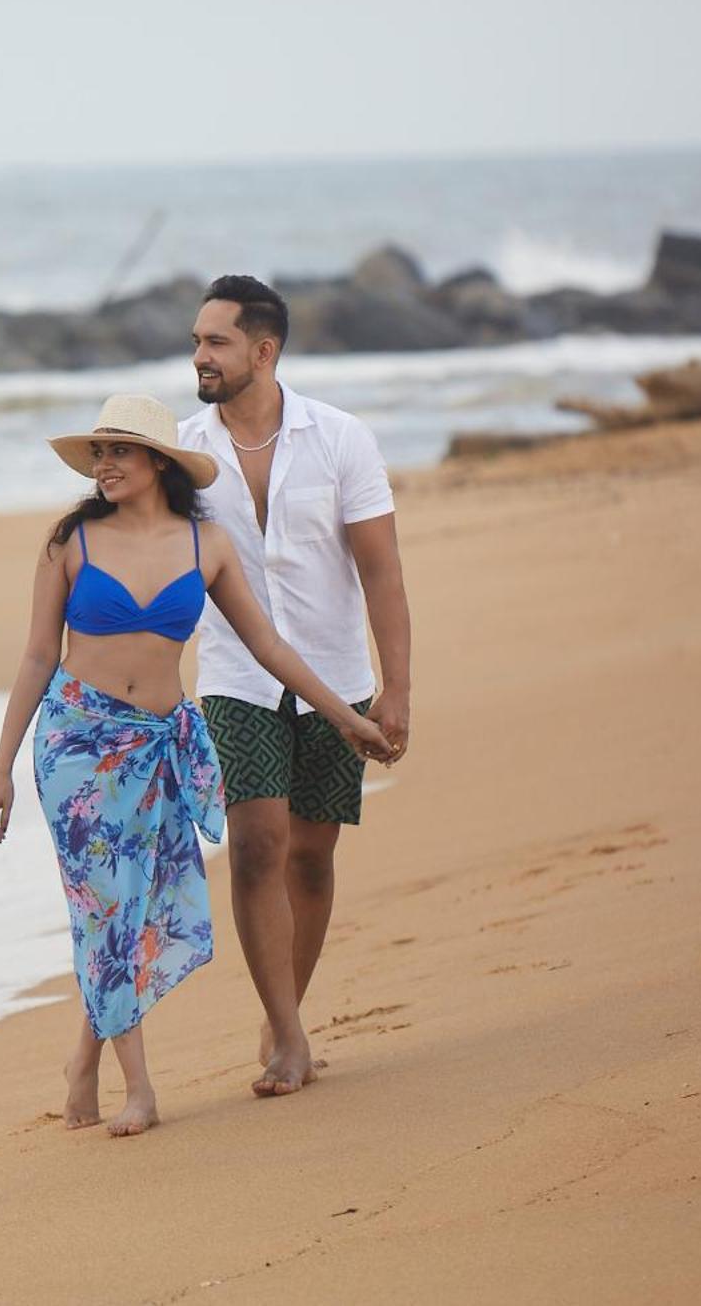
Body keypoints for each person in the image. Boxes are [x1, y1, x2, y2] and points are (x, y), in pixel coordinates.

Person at [0, 394, 393, 1136]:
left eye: (120, 453)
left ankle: (83, 1060)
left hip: (161, 744)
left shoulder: (208, 545)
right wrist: (1, 765)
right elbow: (40, 653)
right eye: (98, 454)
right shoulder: (69, 542)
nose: (104, 466)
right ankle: (139, 1087)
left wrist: (345, 715)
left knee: (131, 906)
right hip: (77, 744)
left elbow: (268, 646)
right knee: (105, 904)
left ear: (159, 465)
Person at [178, 275, 414, 1098]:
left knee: (312, 856)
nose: (199, 355)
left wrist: (395, 689)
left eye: (216, 342)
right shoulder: (183, 453)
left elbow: (381, 572)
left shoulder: (341, 438)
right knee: (254, 846)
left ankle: (286, 1012)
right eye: (199, 340)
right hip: (237, 678)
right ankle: (288, 1033)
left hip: (337, 682)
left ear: (263, 350)